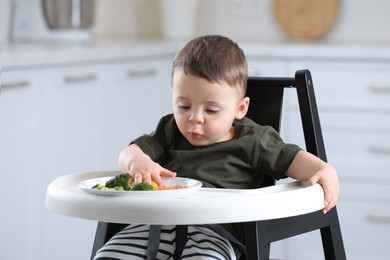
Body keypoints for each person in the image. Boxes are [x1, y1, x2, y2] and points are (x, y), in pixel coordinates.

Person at [94, 35, 339, 260]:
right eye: (183, 106)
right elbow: (130, 153)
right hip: (152, 226)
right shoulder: (168, 130)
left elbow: (293, 159)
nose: (195, 118)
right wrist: (139, 162)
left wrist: (323, 169)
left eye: (211, 110)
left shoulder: (254, 140)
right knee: (109, 255)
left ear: (240, 109)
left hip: (214, 234)